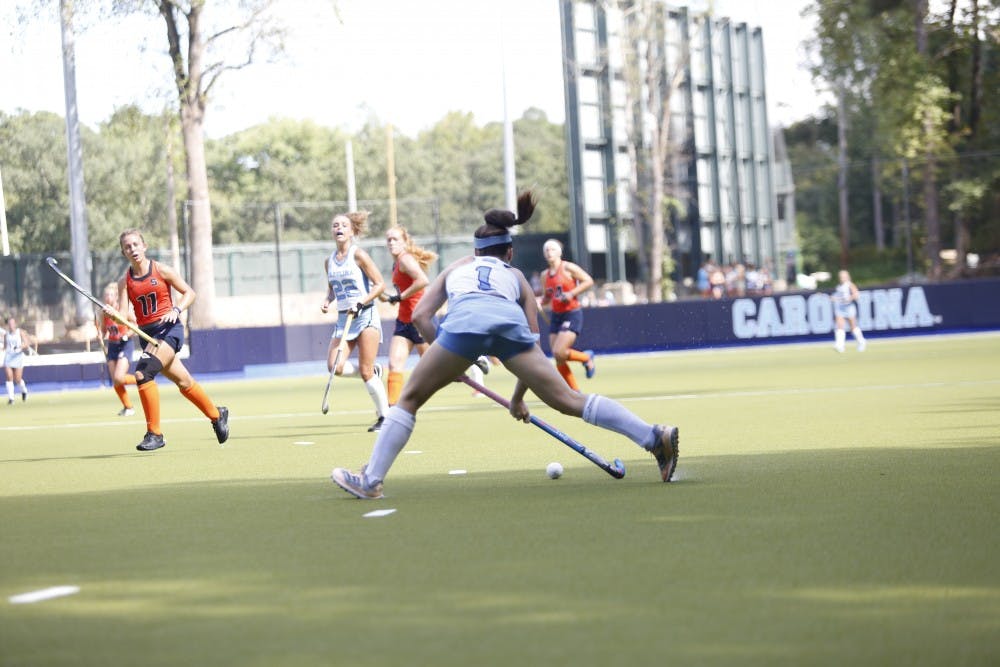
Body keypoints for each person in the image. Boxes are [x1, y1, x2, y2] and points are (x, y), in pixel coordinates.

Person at [331, 191, 679, 499]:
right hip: (509, 329)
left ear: (475, 250)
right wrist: (517, 399)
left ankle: (372, 480)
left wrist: (445, 357)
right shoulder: (515, 278)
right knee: (570, 400)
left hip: (463, 329)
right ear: (509, 252)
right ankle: (653, 437)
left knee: (408, 400)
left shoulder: (457, 267)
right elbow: (531, 342)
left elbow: (421, 316)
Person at [113, 229, 229, 451]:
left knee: (142, 373)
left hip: (170, 330)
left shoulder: (161, 270)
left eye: (136, 244)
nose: (133, 249)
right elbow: (123, 316)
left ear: (144, 246)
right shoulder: (124, 282)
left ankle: (155, 434)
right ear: (123, 252)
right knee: (184, 382)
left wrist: (177, 309)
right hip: (148, 336)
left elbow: (190, 293)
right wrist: (113, 315)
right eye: (128, 247)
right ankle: (217, 415)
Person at [320, 210, 390, 432]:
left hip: (365, 315)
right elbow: (333, 289)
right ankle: (372, 372)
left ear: (351, 231)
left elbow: (379, 284)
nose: (338, 228)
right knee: (334, 366)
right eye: (335, 225)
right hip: (343, 320)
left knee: (365, 370)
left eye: (343, 225)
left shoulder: (358, 255)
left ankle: (384, 418)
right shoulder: (329, 261)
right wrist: (327, 301)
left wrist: (361, 301)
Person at [380, 225, 439, 405]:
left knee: (436, 368)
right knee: (394, 365)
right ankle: (390, 409)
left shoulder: (405, 259)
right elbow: (402, 291)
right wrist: (391, 297)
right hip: (404, 321)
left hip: (420, 320)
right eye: (388, 239)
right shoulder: (396, 262)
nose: (391, 242)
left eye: (395, 239)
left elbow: (423, 280)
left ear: (404, 242)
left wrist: (400, 296)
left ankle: (475, 361)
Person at [539, 238, 596, 391]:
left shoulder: (568, 268)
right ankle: (575, 392)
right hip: (556, 316)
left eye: (552, 249)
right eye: (546, 250)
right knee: (558, 358)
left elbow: (588, 281)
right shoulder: (544, 275)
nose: (549, 253)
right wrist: (538, 301)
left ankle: (586, 358)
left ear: (559, 252)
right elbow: (547, 297)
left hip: (571, 313)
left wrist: (571, 293)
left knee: (559, 351)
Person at [98, 282, 138, 416]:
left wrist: (127, 334)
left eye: (110, 295)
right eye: (106, 295)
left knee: (119, 377)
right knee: (115, 381)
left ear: (116, 296)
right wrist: (101, 335)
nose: (107, 297)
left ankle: (140, 379)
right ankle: (128, 407)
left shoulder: (122, 309)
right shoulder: (104, 313)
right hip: (112, 346)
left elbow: (135, 325)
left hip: (125, 344)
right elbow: (103, 330)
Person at [831, 269, 867, 353]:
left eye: (843, 276)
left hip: (849, 308)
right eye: (840, 277)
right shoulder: (839, 286)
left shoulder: (850, 285)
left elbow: (856, 294)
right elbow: (838, 297)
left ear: (847, 277)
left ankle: (861, 341)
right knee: (840, 326)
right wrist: (834, 298)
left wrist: (849, 298)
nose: (842, 278)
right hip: (840, 308)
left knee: (853, 327)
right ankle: (840, 345)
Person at [3, 316, 36, 405]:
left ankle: (24, 391)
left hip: (18, 357)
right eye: (9, 324)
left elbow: (26, 343)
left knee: (17, 379)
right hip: (9, 357)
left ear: (15, 324)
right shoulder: (6, 334)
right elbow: (5, 347)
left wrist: (19, 347)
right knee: (9, 377)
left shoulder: (20, 332)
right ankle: (11, 398)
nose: (11, 325)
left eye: (12, 323)